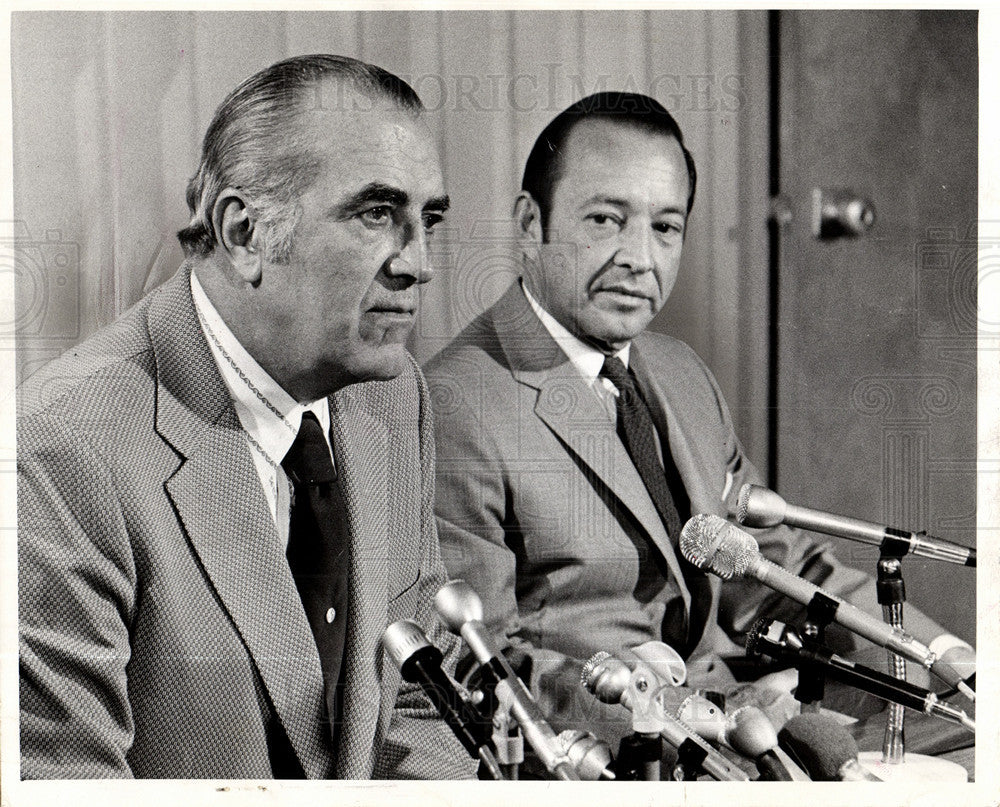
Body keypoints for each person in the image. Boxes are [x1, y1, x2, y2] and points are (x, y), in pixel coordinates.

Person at [425, 92, 973, 748]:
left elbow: (773, 563)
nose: (640, 258)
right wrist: (675, 718)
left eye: (665, 227)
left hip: (753, 713)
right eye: (605, 219)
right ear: (529, 224)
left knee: (967, 732)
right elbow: (483, 662)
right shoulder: (457, 402)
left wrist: (937, 652)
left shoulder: (678, 370)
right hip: (614, 750)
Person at [18, 55, 475, 780]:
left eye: (430, 220)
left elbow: (426, 696)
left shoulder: (393, 393)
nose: (418, 263)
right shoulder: (64, 448)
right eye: (377, 214)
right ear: (243, 231)